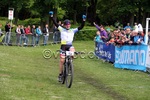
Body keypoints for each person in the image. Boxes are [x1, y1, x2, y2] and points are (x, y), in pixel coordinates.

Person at [49, 11, 86, 82]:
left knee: (73, 53)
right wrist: (51, 17)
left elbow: (81, 27)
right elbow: (55, 23)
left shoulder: (73, 30)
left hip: (70, 46)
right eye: (67, 25)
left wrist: (83, 20)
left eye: (69, 25)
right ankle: (60, 74)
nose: (68, 26)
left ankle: (69, 64)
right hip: (63, 46)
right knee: (62, 60)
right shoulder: (61, 29)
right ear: (65, 25)